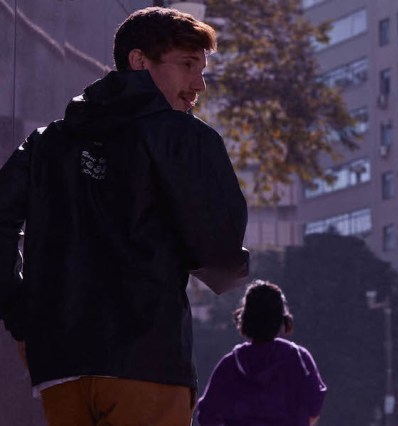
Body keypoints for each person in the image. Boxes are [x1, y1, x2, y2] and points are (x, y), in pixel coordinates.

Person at [0, 7, 248, 425]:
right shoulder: (187, 138)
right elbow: (219, 249)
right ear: (139, 62)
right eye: (188, 65)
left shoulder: (47, 143)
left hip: (60, 366)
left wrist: (23, 319)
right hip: (148, 358)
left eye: (202, 70)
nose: (199, 84)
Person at [195, 281, 326, 426]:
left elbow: (207, 414)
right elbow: (314, 406)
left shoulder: (230, 365)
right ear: (282, 319)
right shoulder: (298, 358)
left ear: (244, 319)